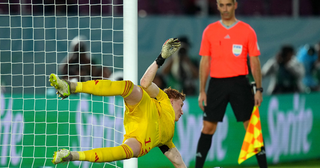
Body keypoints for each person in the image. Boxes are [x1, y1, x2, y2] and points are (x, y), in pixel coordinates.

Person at [50, 38, 187, 168]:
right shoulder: (163, 98)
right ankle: (72, 87)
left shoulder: (168, 138)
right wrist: (160, 59)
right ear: (172, 100)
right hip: (143, 107)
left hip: (139, 138)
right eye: (181, 105)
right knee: (128, 87)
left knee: (123, 153)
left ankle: (72, 156)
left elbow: (178, 162)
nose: (182, 111)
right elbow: (145, 82)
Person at [195, 0, 268, 168]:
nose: (225, 8)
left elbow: (254, 62)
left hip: (240, 83)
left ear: (235, 5)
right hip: (217, 84)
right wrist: (202, 91)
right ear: (217, 6)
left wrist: (258, 89)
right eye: (221, 5)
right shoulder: (210, 31)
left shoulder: (247, 30)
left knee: (252, 129)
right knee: (207, 128)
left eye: (228, 4)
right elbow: (205, 61)